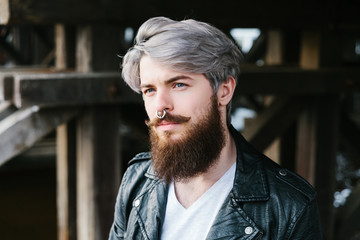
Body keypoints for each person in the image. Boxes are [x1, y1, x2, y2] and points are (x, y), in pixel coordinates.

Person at [109, 16, 324, 240]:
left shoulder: (289, 206)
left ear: (224, 91)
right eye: (149, 90)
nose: (160, 106)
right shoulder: (137, 179)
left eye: (179, 84)